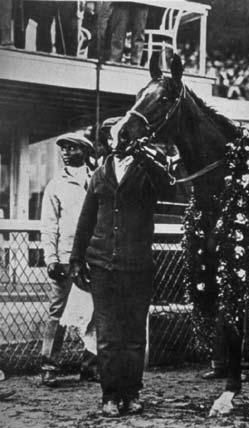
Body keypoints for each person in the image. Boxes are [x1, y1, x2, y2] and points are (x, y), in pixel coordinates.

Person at [70, 131, 174, 417]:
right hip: (103, 266)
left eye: (127, 136)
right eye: (116, 137)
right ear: (109, 142)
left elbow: (170, 190)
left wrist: (149, 159)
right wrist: (76, 259)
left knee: (134, 335)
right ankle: (110, 396)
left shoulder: (147, 171)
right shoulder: (100, 174)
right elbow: (86, 219)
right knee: (108, 336)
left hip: (137, 266)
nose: (121, 142)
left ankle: (131, 394)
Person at [40, 132, 96, 387]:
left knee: (97, 312)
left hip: (93, 257)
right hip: (65, 257)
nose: (65, 152)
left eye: (72, 148)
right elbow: (49, 225)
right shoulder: (56, 184)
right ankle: (49, 366)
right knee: (57, 312)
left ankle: (90, 366)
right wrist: (50, 258)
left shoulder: (97, 179)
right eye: (63, 148)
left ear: (84, 152)